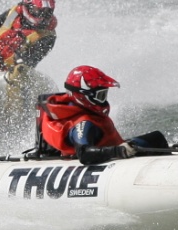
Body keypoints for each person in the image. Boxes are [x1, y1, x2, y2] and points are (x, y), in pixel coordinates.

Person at [34, 66, 168, 166]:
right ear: (83, 96)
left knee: (156, 138)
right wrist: (117, 151)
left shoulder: (84, 112)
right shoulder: (83, 123)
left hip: (107, 147)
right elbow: (84, 154)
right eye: (101, 95)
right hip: (95, 155)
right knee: (155, 140)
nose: (104, 100)